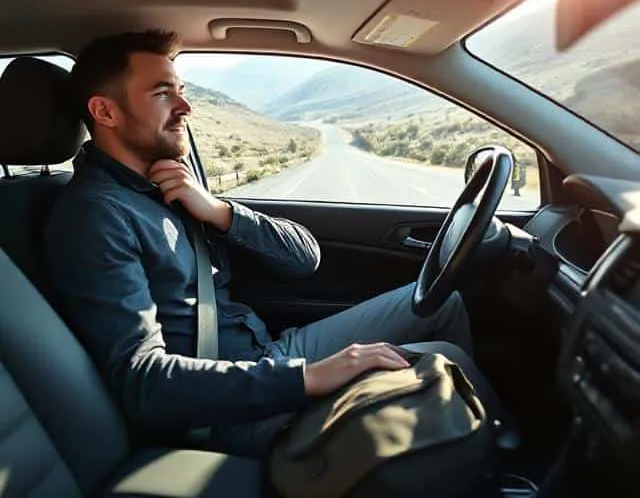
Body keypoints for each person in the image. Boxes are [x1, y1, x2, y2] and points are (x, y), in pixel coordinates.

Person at [45, 30, 474, 458]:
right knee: (438, 357)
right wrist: (308, 377)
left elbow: (305, 259)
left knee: (443, 303)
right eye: (162, 94)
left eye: (182, 91)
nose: (186, 107)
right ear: (105, 111)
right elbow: (145, 382)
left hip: (269, 355)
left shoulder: (171, 184)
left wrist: (220, 212)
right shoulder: (95, 216)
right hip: (228, 412)